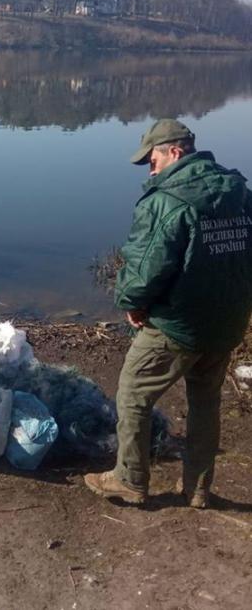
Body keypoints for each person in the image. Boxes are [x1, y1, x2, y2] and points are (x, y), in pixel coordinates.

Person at [85, 118, 252, 507]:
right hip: (227, 323)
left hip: (179, 324)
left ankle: (129, 479)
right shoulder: (239, 192)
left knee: (132, 395)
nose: (151, 168)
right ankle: (197, 488)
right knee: (206, 403)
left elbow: (145, 268)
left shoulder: (168, 200)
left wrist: (133, 303)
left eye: (153, 159)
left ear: (175, 152)